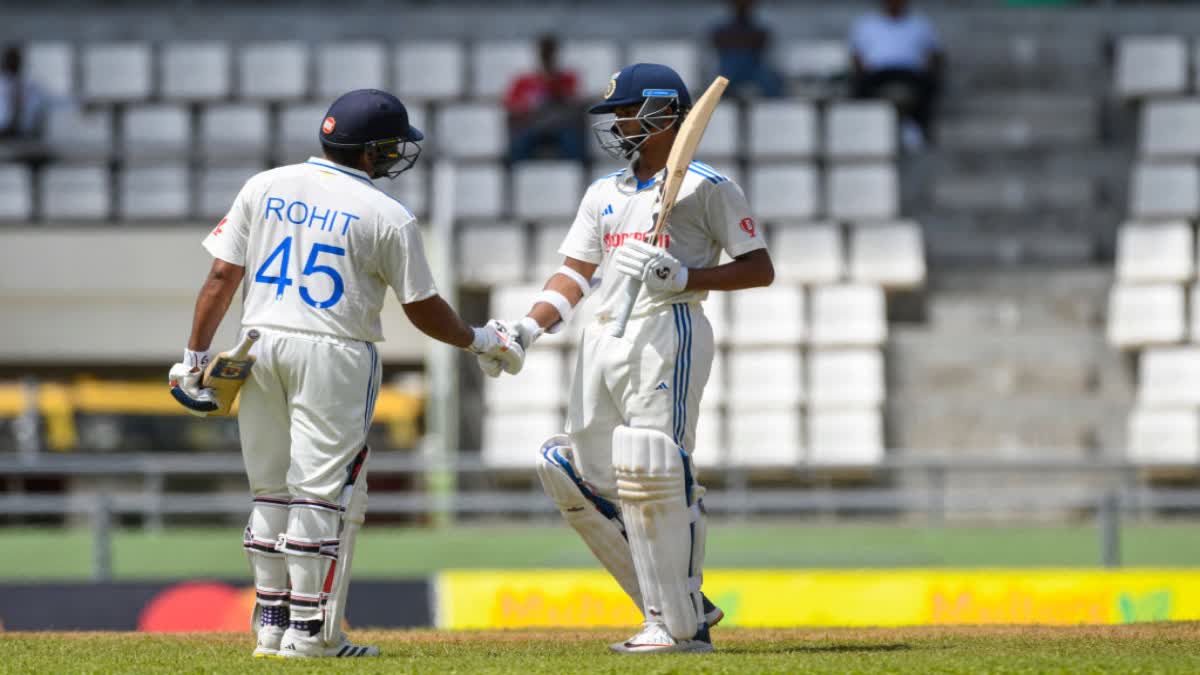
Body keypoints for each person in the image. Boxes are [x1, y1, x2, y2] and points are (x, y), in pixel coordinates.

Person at [167, 89, 523, 659]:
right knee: (319, 495)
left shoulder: (265, 185)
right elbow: (424, 309)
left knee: (271, 491)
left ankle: (270, 627)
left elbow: (219, 277)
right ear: (372, 151)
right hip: (335, 351)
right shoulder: (388, 215)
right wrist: (479, 339)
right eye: (392, 146)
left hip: (258, 342)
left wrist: (193, 359)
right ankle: (309, 635)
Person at [479, 63, 774, 654]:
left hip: (668, 329)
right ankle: (681, 602)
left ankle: (675, 624)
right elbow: (575, 274)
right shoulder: (603, 193)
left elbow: (759, 268)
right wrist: (525, 332)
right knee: (567, 468)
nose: (615, 123)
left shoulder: (708, 186)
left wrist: (685, 274)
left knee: (655, 467)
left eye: (626, 111)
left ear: (666, 113)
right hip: (603, 338)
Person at [849, 0, 945, 150]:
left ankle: (921, 129)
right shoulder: (867, 24)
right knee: (859, 87)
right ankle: (863, 131)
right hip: (878, 72)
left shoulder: (919, 24)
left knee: (929, 86)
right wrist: (861, 71)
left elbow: (934, 53)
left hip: (909, 72)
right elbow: (856, 55)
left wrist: (930, 70)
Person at [504, 34, 586, 162]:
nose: (547, 56)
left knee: (575, 147)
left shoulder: (567, 78)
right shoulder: (523, 81)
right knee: (517, 149)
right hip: (532, 126)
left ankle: (581, 177)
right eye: (544, 52)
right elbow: (512, 107)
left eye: (550, 52)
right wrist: (529, 108)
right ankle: (514, 178)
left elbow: (575, 104)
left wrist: (556, 90)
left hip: (561, 126)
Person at [709, 0, 784, 98]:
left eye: (746, 3)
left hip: (753, 66)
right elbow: (716, 44)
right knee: (715, 88)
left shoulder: (760, 30)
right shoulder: (720, 30)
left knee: (772, 84)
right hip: (729, 67)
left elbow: (764, 45)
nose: (742, 6)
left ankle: (774, 110)